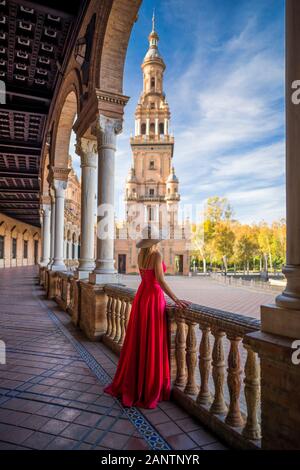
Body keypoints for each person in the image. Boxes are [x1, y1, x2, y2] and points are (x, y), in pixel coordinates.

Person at [104, 226, 190, 409]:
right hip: (153, 298)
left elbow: (148, 278)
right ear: (155, 241)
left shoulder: (141, 256)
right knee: (153, 340)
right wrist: (175, 299)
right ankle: (149, 385)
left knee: (140, 339)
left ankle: (137, 382)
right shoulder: (157, 256)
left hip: (142, 297)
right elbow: (160, 280)